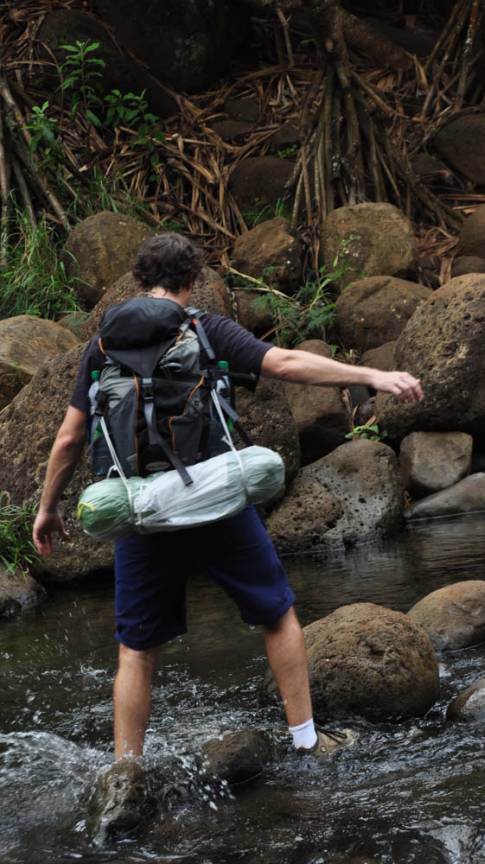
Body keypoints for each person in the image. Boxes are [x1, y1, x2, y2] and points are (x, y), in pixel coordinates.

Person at [32, 233, 423, 826]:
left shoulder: (102, 346)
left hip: (140, 516)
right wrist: (370, 373)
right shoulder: (203, 328)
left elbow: (68, 439)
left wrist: (48, 507)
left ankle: (125, 772)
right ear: (192, 281)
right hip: (216, 506)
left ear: (141, 282)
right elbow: (287, 364)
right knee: (277, 615)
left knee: (136, 651)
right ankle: (306, 739)